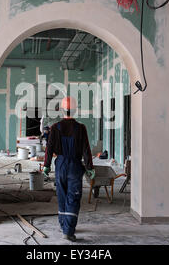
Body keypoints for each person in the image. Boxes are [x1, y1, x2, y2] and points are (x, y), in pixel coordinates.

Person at [42, 96, 95, 242]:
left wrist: (46, 165)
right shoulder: (81, 128)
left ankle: (64, 225)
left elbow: (49, 148)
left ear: (62, 110)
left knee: (62, 196)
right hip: (75, 166)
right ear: (75, 110)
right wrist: (90, 167)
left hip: (60, 165)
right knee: (73, 197)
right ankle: (68, 230)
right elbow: (86, 150)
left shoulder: (55, 128)